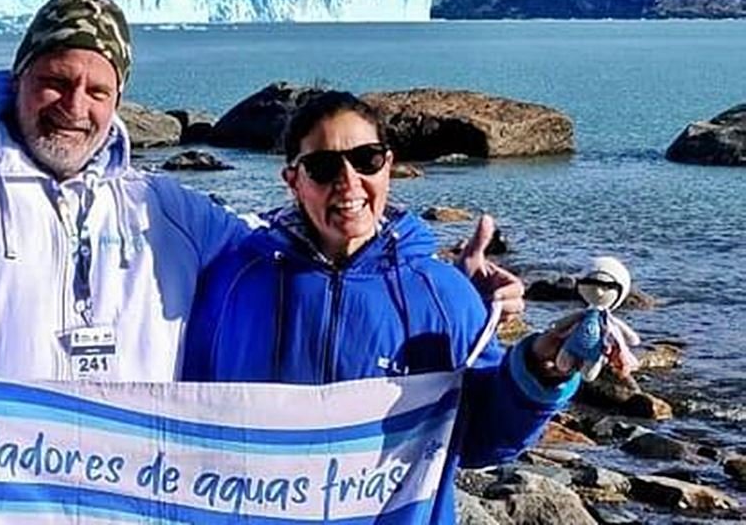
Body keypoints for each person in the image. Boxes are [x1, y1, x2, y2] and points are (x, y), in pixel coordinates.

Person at [0, 0, 522, 523]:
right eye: (57, 81)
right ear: (21, 77)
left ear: (118, 99)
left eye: (97, 90)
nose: (75, 106)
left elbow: (296, 252)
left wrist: (437, 279)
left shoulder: (160, 208)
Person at [182, 90, 584, 524]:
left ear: (389, 165)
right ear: (293, 180)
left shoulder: (443, 294)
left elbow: (485, 439)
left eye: (366, 159)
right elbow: (186, 411)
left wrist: (541, 368)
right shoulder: (234, 281)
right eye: (322, 166)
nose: (348, 181)